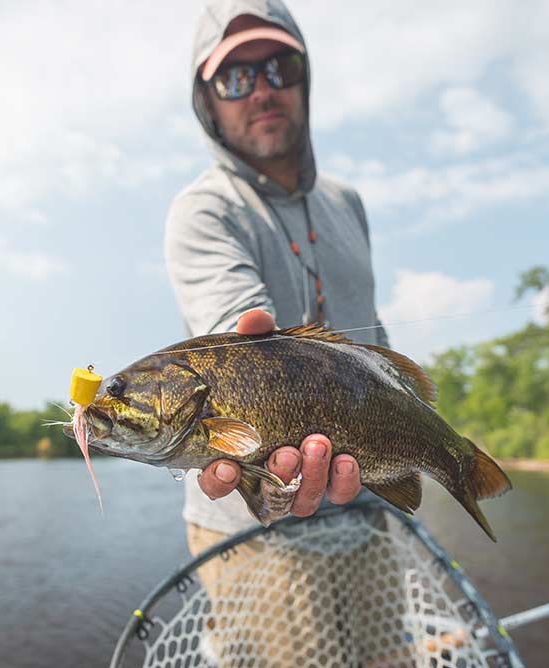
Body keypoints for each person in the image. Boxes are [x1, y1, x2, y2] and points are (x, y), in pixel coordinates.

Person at [163, 0, 402, 663]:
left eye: (279, 66)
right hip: (255, 531)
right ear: (207, 103)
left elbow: (373, 345)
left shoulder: (348, 202)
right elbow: (232, 346)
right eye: (234, 78)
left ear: (304, 77)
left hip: (366, 510)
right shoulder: (203, 210)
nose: (262, 88)